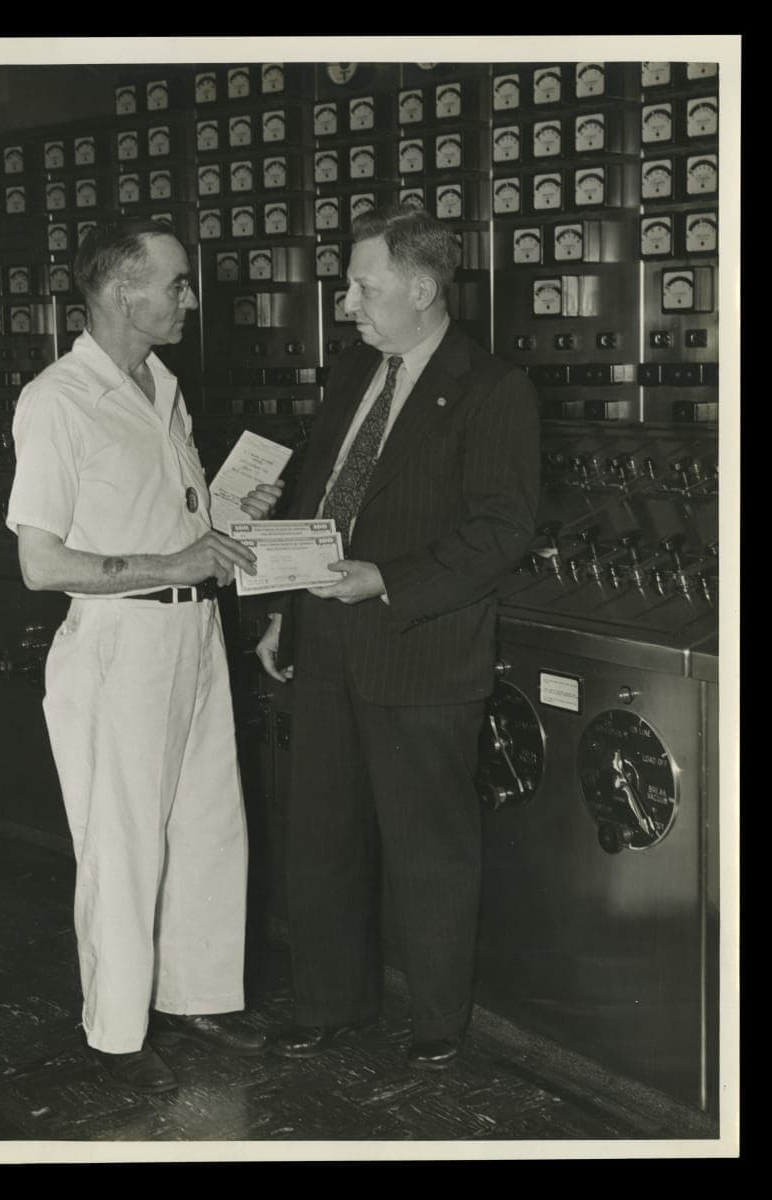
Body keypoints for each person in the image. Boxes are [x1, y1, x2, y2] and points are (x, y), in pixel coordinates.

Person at [256, 206, 540, 1070]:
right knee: (322, 833)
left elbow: (503, 531)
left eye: (361, 286)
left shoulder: (492, 389)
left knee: (427, 849)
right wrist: (279, 603)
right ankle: (330, 1003)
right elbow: (320, 491)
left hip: (420, 644)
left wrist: (389, 578)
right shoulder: (354, 372)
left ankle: (437, 1024)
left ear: (421, 290)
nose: (345, 304)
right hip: (327, 636)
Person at [6, 218, 283, 1095]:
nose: (189, 299)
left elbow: (173, 522)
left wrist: (230, 517)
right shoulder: (57, 401)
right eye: (176, 284)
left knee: (207, 826)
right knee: (121, 844)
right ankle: (115, 1036)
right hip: (119, 643)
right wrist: (176, 562)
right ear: (124, 292)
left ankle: (196, 994)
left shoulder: (159, 384)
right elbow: (41, 563)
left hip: (192, 632)